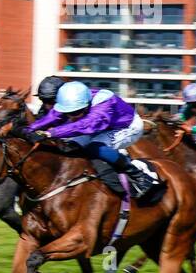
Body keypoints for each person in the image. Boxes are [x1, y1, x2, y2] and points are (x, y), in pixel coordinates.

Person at [26, 81, 159, 197]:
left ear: (87, 104)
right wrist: (30, 129)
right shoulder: (73, 100)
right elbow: (53, 116)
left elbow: (85, 125)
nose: (72, 117)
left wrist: (50, 133)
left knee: (95, 147)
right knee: (70, 146)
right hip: (104, 127)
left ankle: (139, 176)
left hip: (128, 126)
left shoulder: (103, 105)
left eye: (76, 113)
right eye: (68, 113)